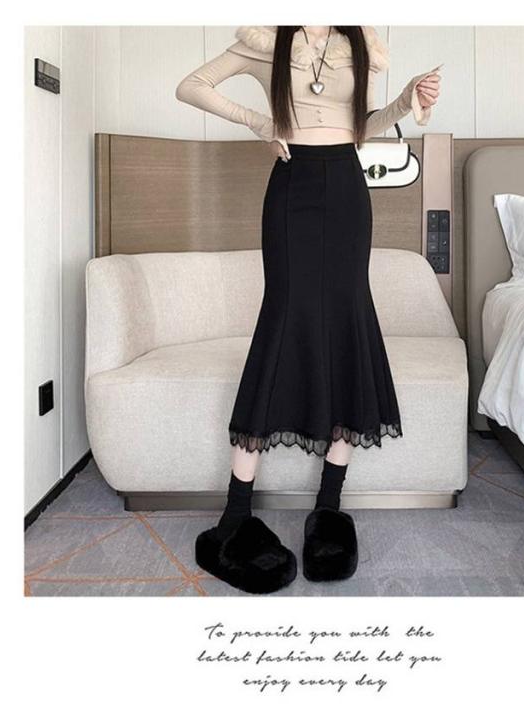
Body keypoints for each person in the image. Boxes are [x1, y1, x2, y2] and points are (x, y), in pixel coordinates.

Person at [175, 25, 441, 594]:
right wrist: (258, 121)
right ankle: (235, 514)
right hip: (291, 187)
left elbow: (362, 126)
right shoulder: (266, 41)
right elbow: (190, 86)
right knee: (283, 323)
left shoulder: (360, 42)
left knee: (348, 323)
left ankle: (328, 507)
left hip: (346, 187)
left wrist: (407, 100)